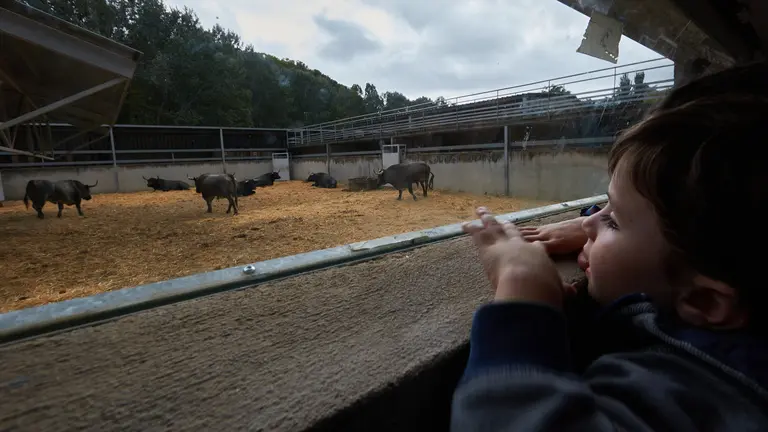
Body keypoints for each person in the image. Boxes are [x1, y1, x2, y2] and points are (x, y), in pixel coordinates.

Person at [451, 62, 768, 431]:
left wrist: (523, 295)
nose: (587, 222)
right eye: (598, 207)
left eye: (613, 218)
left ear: (705, 302)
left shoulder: (702, 392)